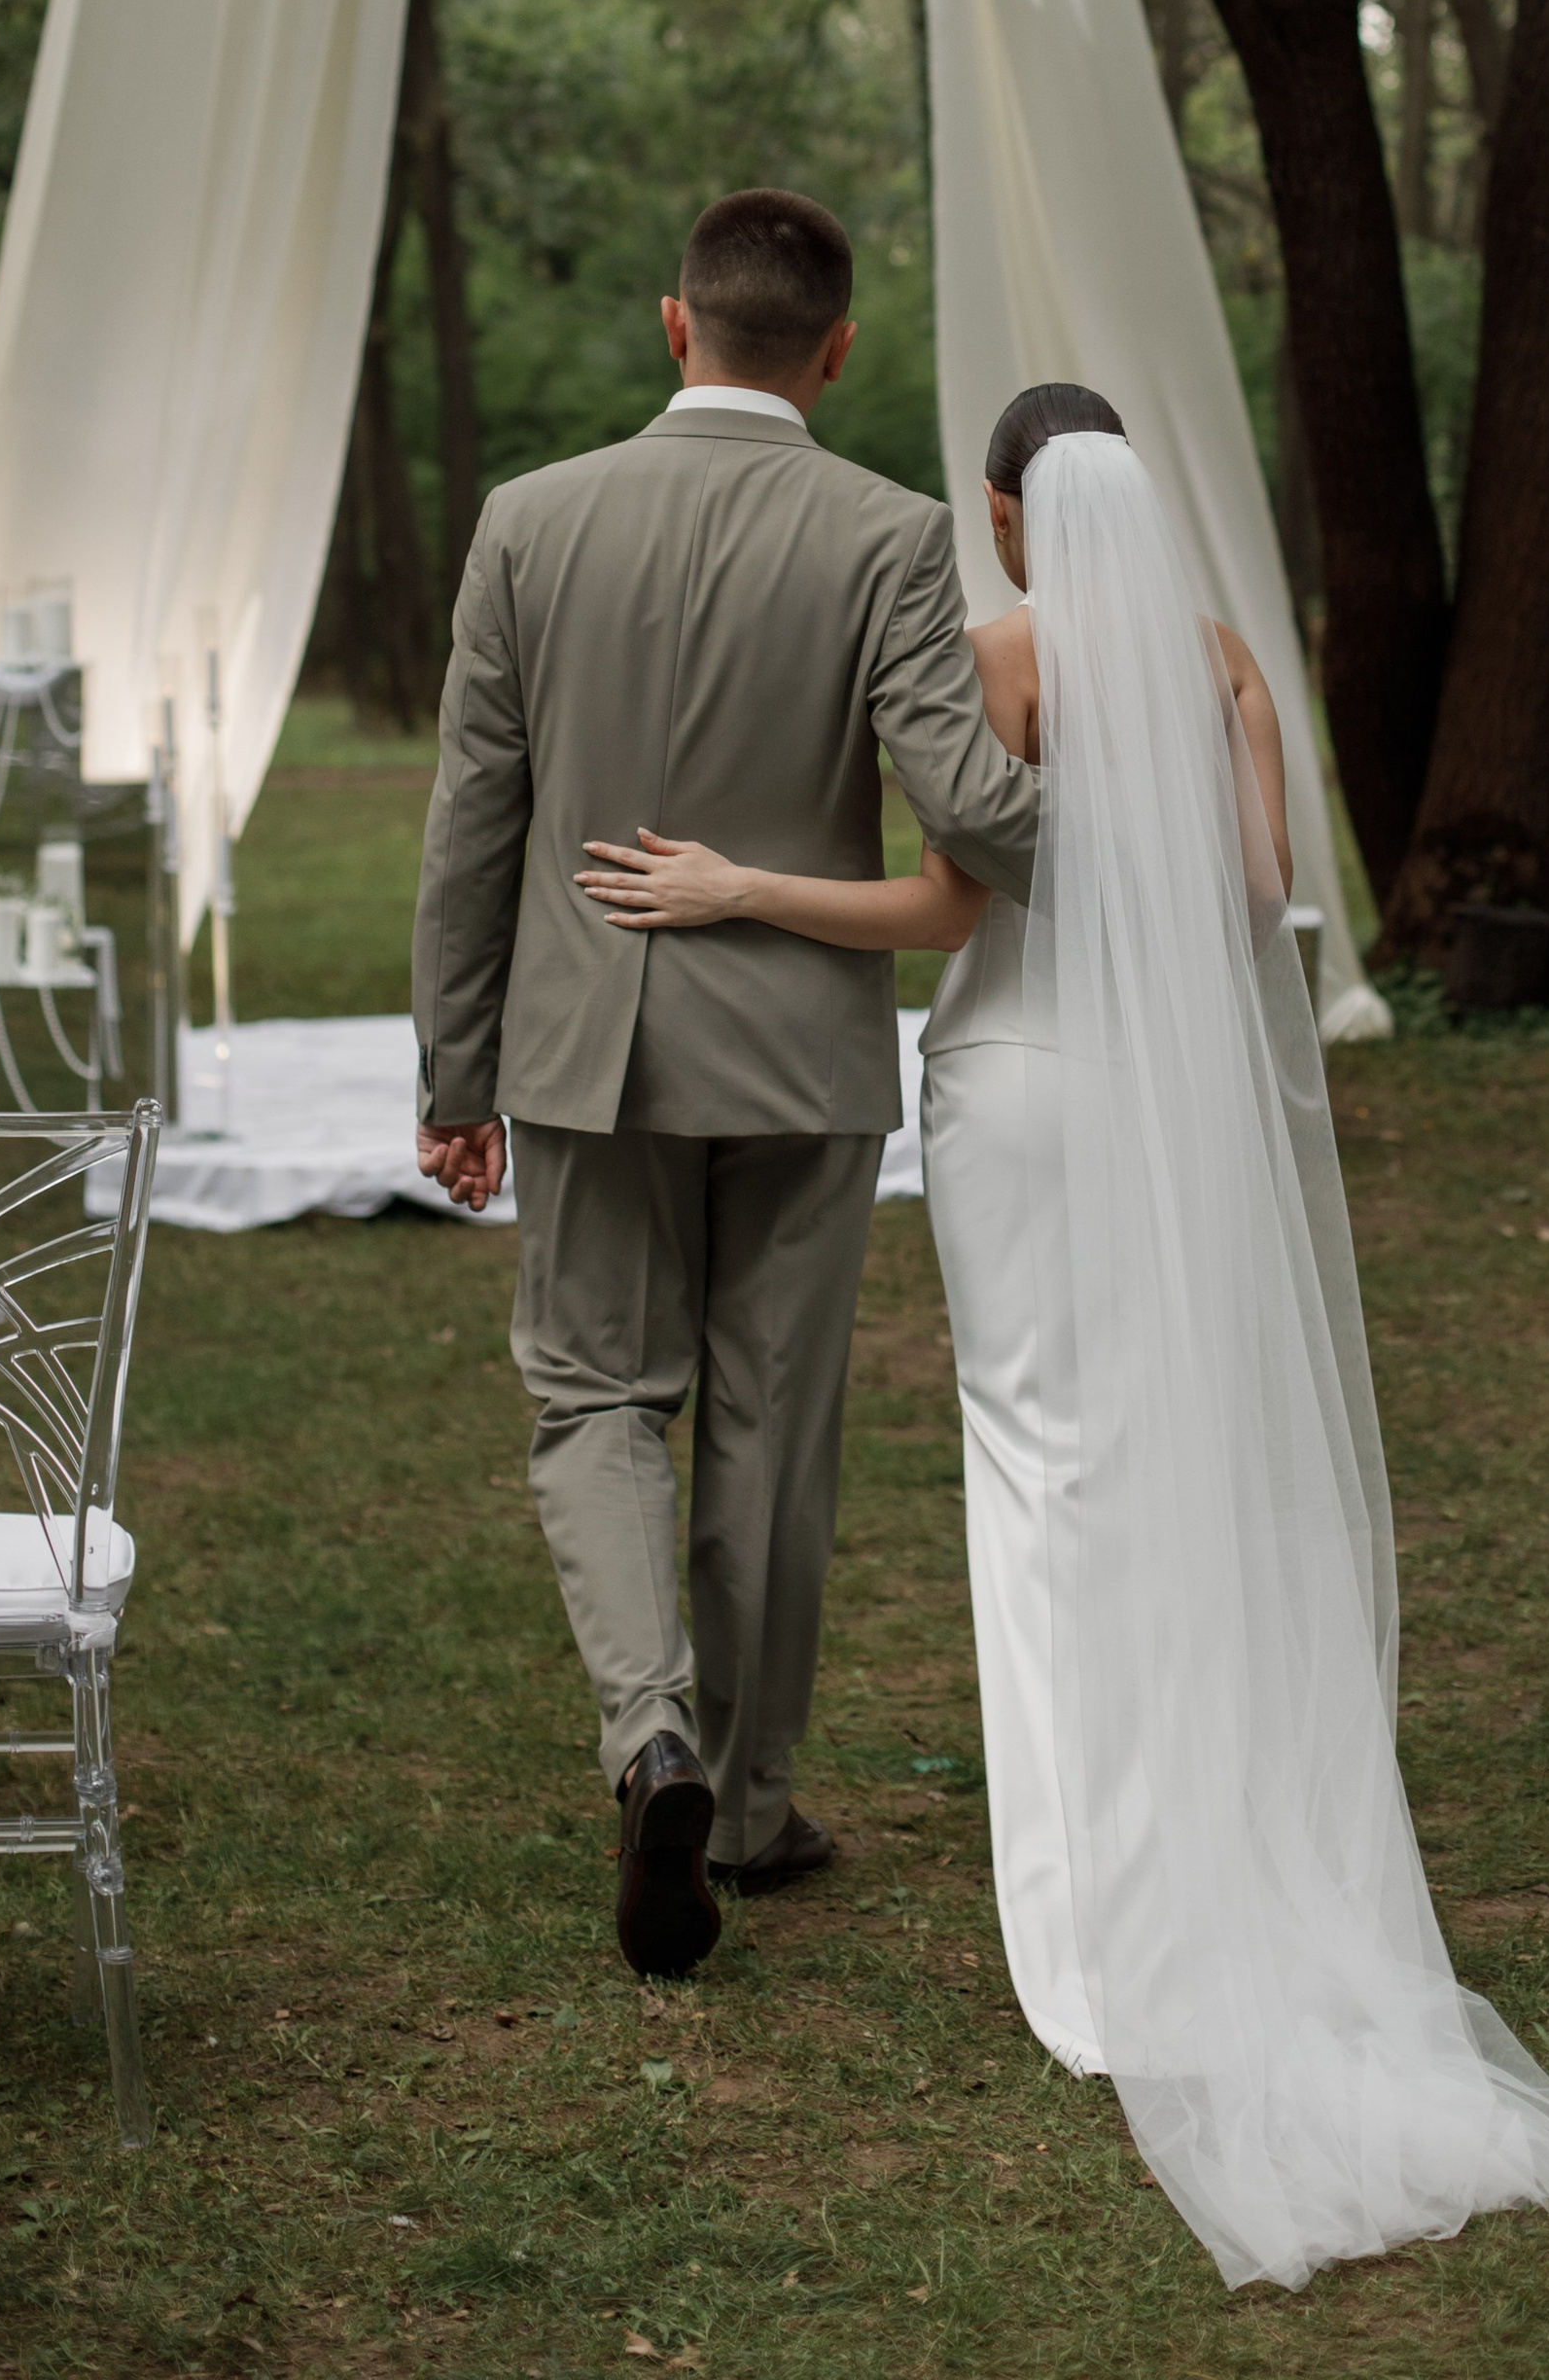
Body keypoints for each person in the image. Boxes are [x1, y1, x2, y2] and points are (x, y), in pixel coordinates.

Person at [578, 383, 1549, 2291]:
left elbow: (943, 899)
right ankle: (1215, 1854)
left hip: (1017, 1088)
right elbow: (1257, 907)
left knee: (1040, 1477)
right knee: (1172, 1463)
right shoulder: (1223, 662)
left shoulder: (995, 656)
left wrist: (739, 888)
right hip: (1172, 1108)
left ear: (1007, 509)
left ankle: (1096, 1924)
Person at [411, 192, 1040, 1983]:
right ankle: (751, 1811)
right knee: (774, 1425)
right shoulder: (896, 536)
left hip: (585, 1050)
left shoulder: (529, 523)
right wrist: (1151, 821)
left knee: (598, 1397)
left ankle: (650, 1740)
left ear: (673, 324)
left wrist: (458, 1066)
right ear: (836, 348)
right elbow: (978, 814)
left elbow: (477, 822)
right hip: (802, 1056)